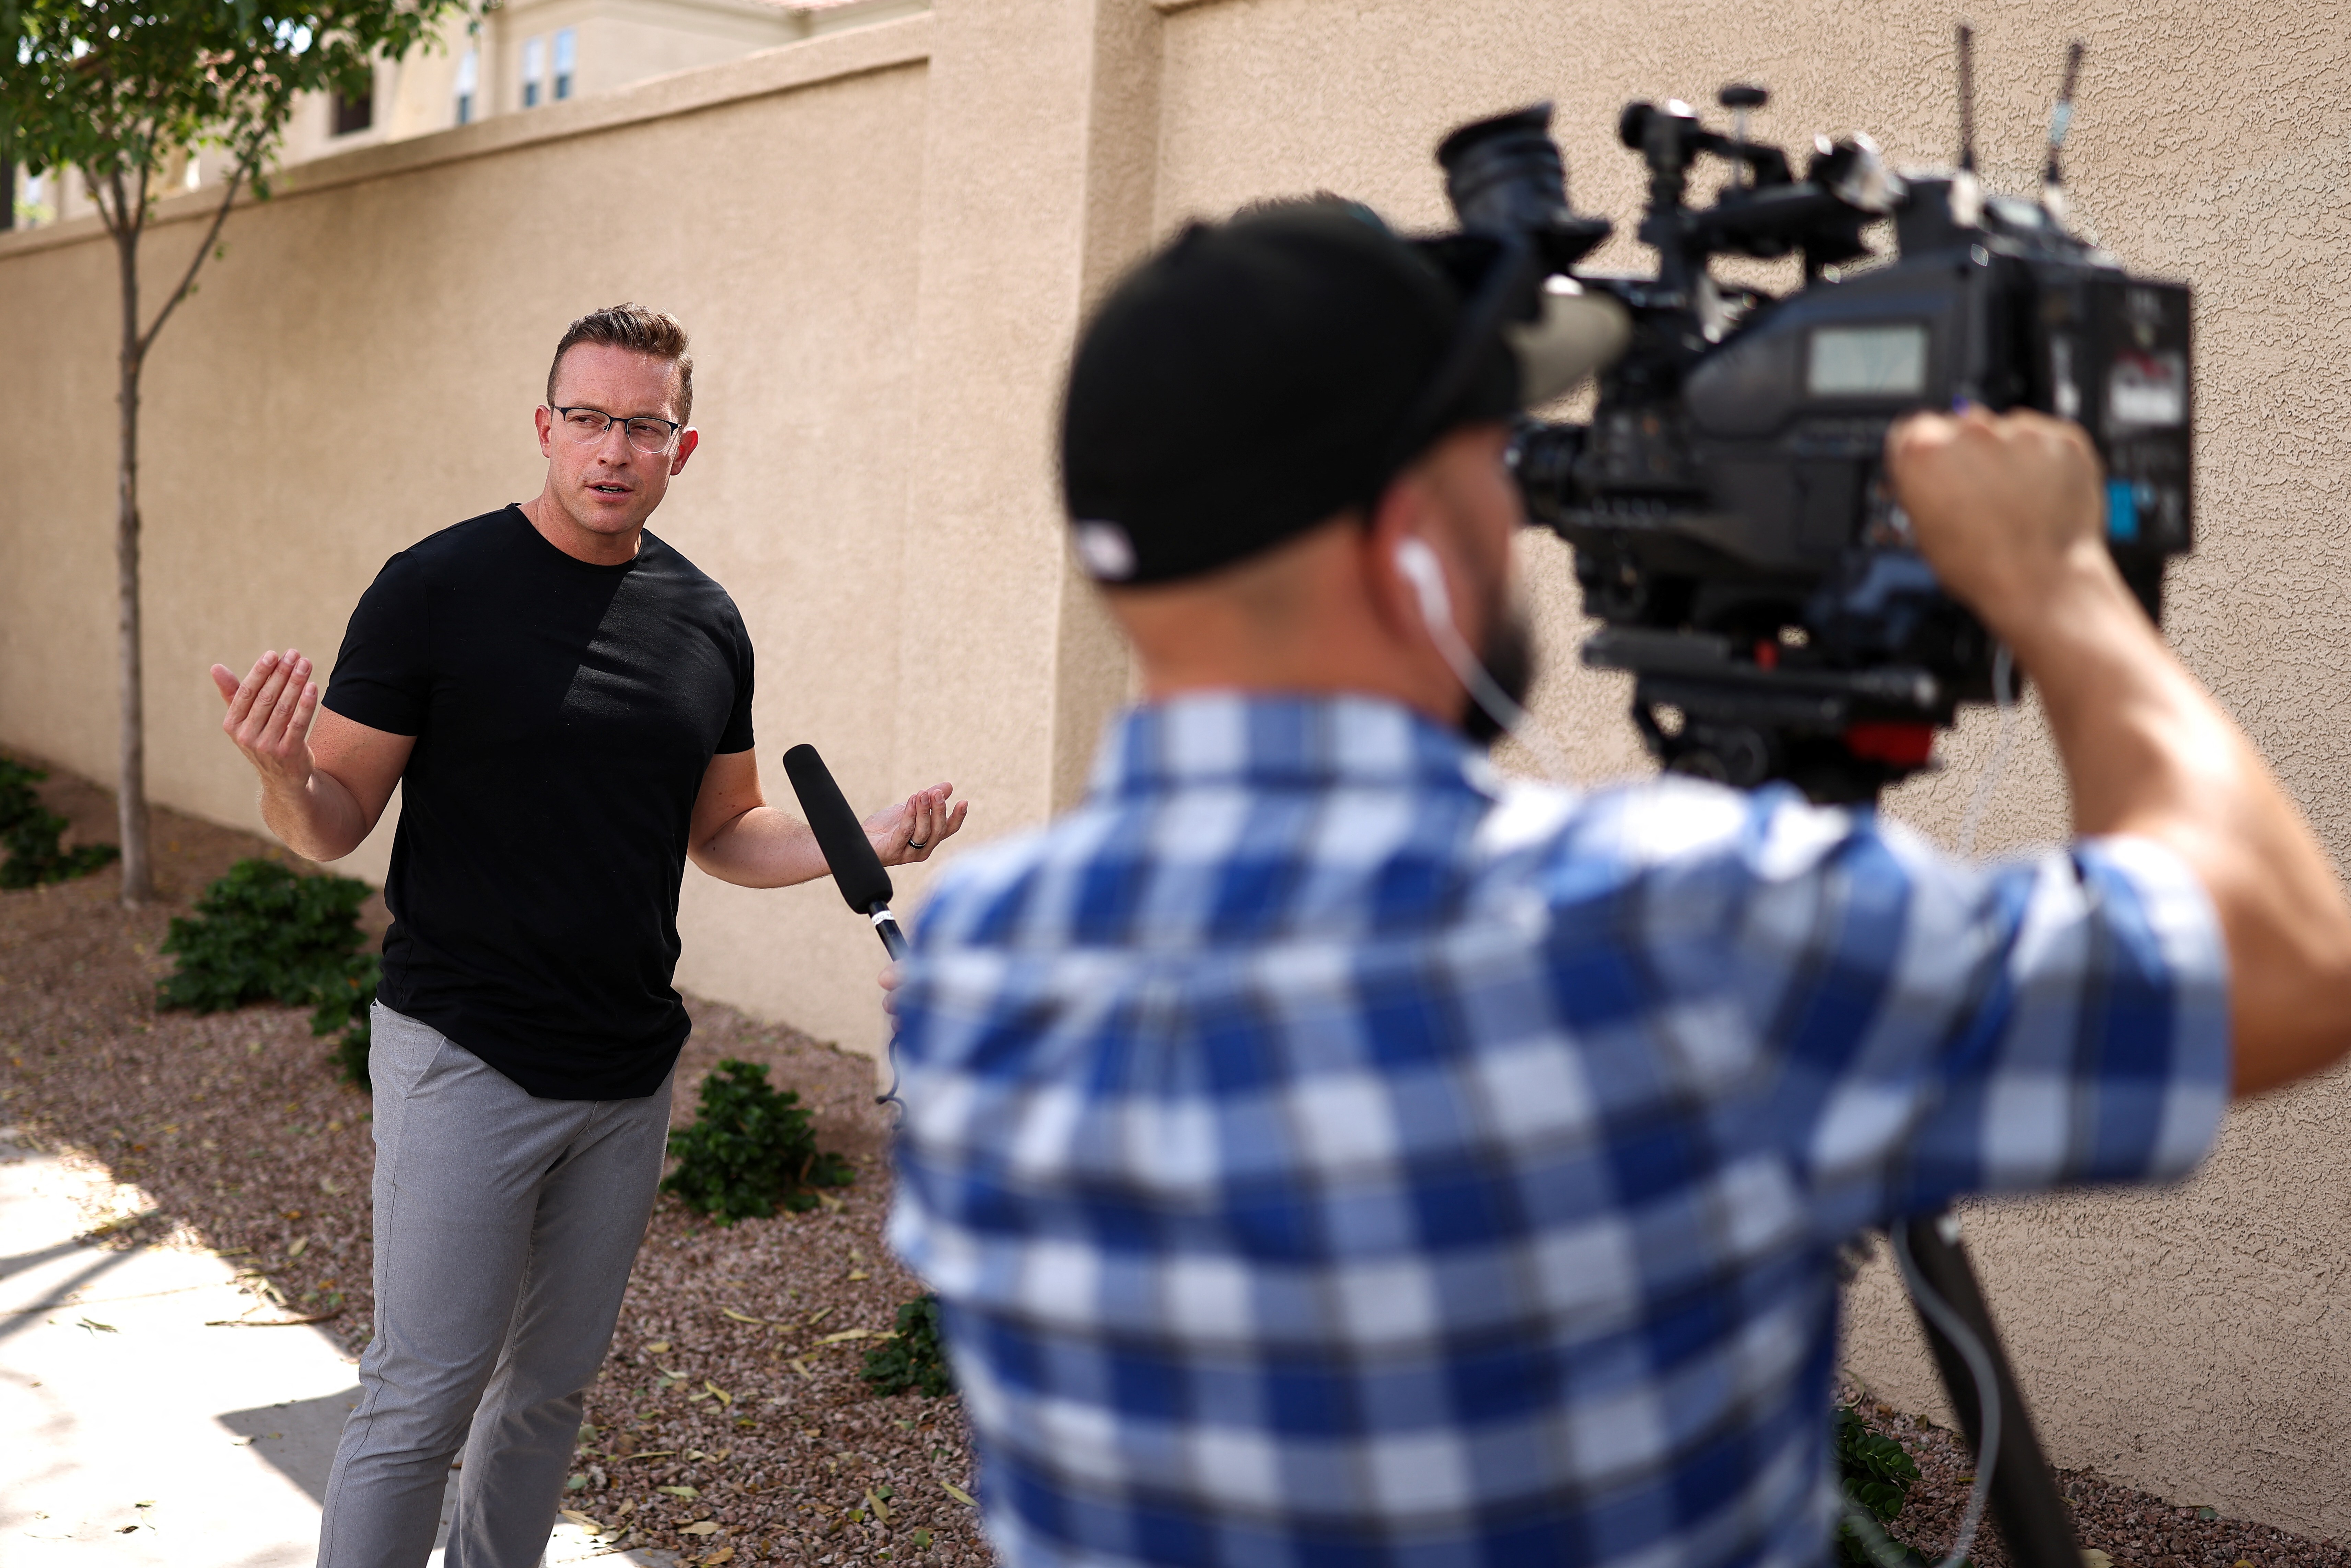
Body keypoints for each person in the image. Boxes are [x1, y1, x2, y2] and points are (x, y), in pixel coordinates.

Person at [881, 206, 2351, 1568]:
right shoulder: (1681, 930)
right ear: (1411, 546)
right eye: (1499, 464)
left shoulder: (974, 965)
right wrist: (2060, 582)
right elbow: (2284, 961)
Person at [209, 302, 969, 1568]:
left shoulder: (704, 620)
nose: (613, 449)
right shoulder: (434, 588)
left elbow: (722, 827)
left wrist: (866, 838)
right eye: (590, 420)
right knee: (422, 1395)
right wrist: (285, 772)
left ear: (685, 445)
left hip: (624, 1073)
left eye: (644, 426)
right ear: (544, 426)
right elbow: (331, 822)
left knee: (549, 1393)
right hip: (465, 1050)